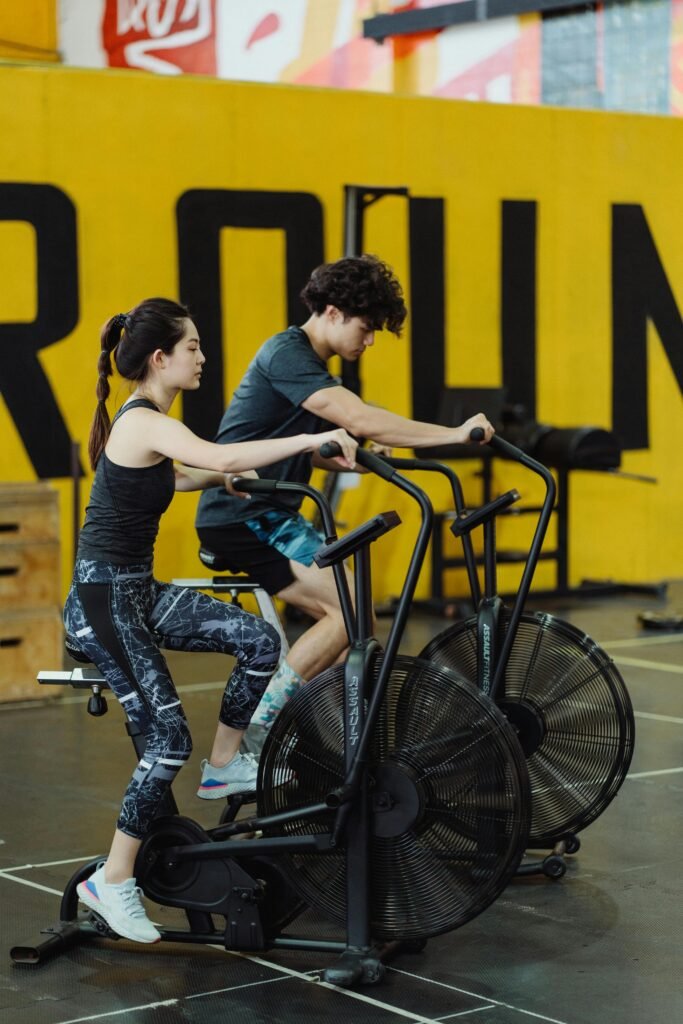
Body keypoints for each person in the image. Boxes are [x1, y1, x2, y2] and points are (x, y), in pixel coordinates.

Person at [64, 297, 357, 944]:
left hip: (137, 592)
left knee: (257, 639)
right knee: (168, 740)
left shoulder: (149, 428)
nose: (202, 357)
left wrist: (215, 481)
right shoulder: (142, 419)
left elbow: (173, 475)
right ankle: (112, 879)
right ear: (160, 358)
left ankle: (224, 761)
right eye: (192, 347)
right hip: (102, 601)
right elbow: (215, 455)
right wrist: (308, 438)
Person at [195, 254, 494, 734]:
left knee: (358, 622)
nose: (370, 341)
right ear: (333, 313)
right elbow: (359, 418)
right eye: (366, 327)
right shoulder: (288, 355)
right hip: (243, 512)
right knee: (350, 612)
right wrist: (454, 434)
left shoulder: (314, 369)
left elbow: (303, 445)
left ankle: (319, 736)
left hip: (270, 510)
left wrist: (343, 452)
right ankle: (259, 731)